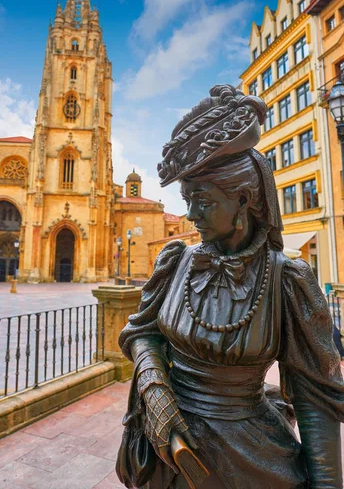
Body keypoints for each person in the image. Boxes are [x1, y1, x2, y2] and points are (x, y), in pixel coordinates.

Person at [116, 85, 344, 489]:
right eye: (187, 199)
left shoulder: (287, 279)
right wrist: (154, 389)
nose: (190, 215)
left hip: (250, 458)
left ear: (242, 199)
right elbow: (141, 332)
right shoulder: (176, 262)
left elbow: (314, 402)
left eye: (202, 200)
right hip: (168, 451)